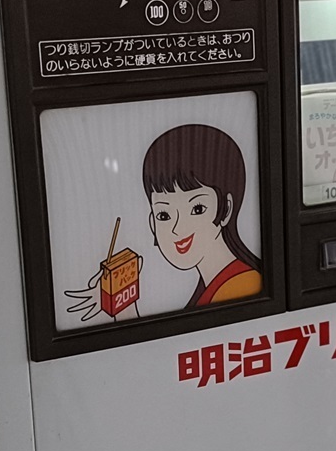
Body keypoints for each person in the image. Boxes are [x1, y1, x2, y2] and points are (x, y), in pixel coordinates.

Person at [66, 123, 261, 323]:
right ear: (152, 222)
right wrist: (120, 297)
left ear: (226, 209)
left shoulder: (239, 284)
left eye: (197, 209)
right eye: (164, 215)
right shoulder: (212, 285)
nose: (177, 229)